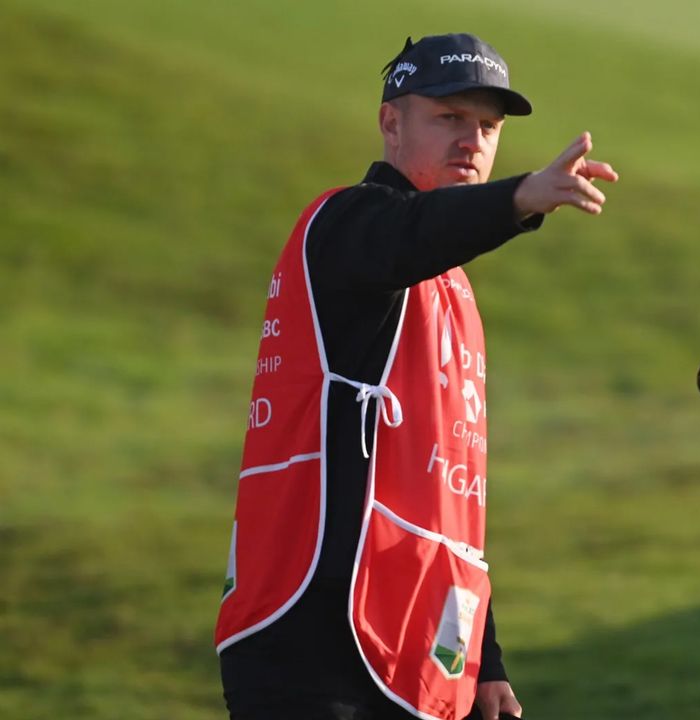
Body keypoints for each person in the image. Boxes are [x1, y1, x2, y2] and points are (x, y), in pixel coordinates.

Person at [214, 33, 618, 720]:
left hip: (411, 652)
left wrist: (484, 660)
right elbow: (406, 235)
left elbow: (452, 498)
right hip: (312, 643)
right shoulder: (344, 226)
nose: (473, 140)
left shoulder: (451, 288)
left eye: (488, 127)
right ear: (390, 123)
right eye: (449, 118)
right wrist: (518, 199)